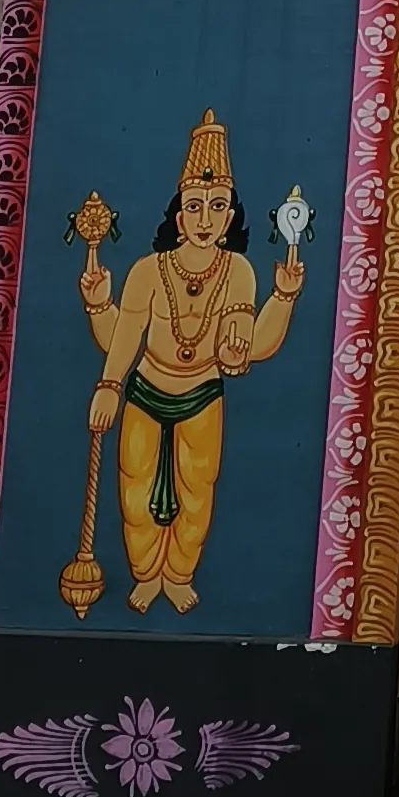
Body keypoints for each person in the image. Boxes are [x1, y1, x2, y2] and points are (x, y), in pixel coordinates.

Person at [79, 111, 303, 613]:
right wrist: (108, 379)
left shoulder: (239, 273)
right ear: (179, 215)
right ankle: (144, 574)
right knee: (135, 493)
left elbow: (248, 342)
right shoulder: (147, 271)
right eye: (196, 206)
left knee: (196, 492)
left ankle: (178, 575)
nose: (205, 218)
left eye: (217, 206)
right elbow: (125, 335)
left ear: (229, 217)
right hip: (144, 391)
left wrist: (281, 300)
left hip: (202, 394)